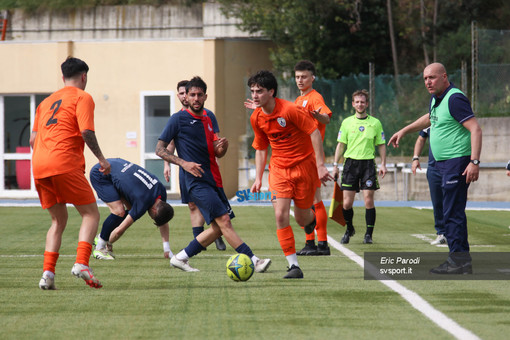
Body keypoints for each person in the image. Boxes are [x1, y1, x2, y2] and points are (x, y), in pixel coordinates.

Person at [156, 76, 271, 273]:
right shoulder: (178, 119)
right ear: (186, 97)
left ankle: (181, 257)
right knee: (224, 222)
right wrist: (183, 163)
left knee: (218, 228)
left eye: (200, 94)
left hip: (214, 180)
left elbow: (218, 152)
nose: (196, 98)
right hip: (196, 181)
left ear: (205, 96)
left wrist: (223, 148)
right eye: (192, 94)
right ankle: (254, 260)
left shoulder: (209, 117)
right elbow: (159, 149)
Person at [388, 62, 482, 274]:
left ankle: (459, 262)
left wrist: (474, 162)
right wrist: (405, 130)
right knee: (447, 212)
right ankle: (461, 261)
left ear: (444, 77)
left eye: (432, 77)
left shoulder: (455, 98)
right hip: (441, 165)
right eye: (425, 79)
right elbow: (430, 118)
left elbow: (475, 129)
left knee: (452, 213)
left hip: (456, 162)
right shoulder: (437, 99)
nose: (428, 82)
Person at [30, 57, 111, 290]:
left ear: (63, 77)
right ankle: (82, 264)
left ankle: (48, 274)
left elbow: (32, 139)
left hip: (40, 165)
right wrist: (102, 159)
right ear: (84, 76)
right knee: (91, 214)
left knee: (58, 220)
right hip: (64, 162)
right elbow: (86, 131)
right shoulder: (82, 97)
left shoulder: (45, 102)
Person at [247, 70, 333, 279]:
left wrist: (320, 165)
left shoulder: (290, 110)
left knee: (303, 219)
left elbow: (314, 132)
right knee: (280, 215)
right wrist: (258, 177)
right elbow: (260, 148)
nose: (255, 95)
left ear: (271, 92)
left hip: (304, 167)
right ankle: (293, 265)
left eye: (259, 91)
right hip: (279, 170)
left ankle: (310, 218)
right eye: (252, 91)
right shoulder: (256, 117)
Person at [163, 80, 226, 251]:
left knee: (212, 203)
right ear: (180, 96)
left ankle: (216, 233)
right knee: (192, 205)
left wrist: (218, 155)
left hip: (207, 168)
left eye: (190, 93)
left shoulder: (208, 115)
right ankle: (200, 240)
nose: (187, 97)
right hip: (186, 168)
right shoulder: (177, 118)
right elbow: (168, 145)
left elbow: (215, 141)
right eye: (183, 94)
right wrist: (167, 165)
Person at [89, 158, 175, 260]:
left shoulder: (161, 192)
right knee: (119, 212)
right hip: (101, 173)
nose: (152, 218)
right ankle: (100, 247)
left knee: (129, 209)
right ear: (154, 210)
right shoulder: (142, 203)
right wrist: (109, 242)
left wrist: (167, 248)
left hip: (116, 164)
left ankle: (102, 237)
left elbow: (163, 220)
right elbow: (119, 231)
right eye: (154, 218)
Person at [332, 89, 387, 244]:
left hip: (368, 164)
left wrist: (383, 163)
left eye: (362, 102)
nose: (360, 104)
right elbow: (340, 145)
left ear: (367, 104)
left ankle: (368, 235)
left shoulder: (375, 123)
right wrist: (335, 165)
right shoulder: (347, 122)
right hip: (350, 164)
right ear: (353, 104)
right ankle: (349, 228)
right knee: (347, 203)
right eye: (357, 102)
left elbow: (381, 145)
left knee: (368, 200)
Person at [293, 60, 333, 256]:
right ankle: (310, 243)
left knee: (315, 199)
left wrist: (319, 116)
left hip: (311, 156)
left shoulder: (315, 97)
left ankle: (323, 244)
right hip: (300, 156)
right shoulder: (299, 100)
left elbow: (326, 117)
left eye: (304, 77)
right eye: (298, 77)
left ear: (312, 78)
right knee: (304, 202)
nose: (300, 80)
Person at [412, 128, 446, 245]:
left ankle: (455, 234)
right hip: (433, 168)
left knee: (452, 202)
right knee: (437, 202)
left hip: (452, 166)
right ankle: (441, 233)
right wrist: (416, 157)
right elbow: (421, 139)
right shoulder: (430, 120)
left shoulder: (454, 117)